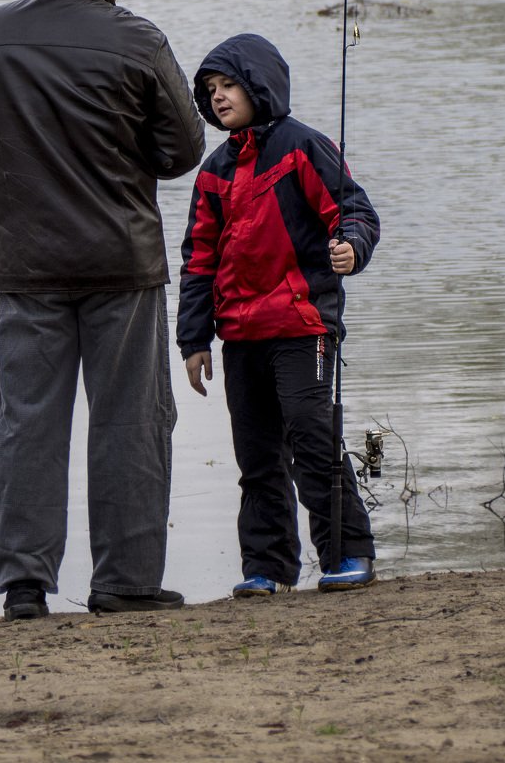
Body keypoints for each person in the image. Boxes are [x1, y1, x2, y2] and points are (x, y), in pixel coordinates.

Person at [0, 0, 206, 620]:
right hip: (123, 261)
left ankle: (24, 586)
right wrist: (119, 161)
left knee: (26, 421)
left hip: (27, 262)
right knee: (131, 421)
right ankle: (124, 582)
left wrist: (25, 172)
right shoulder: (138, 39)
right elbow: (182, 151)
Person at [176, 32, 379, 597]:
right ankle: (266, 569)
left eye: (228, 85)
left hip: (303, 327)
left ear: (259, 84)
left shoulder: (302, 148)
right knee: (257, 457)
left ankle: (347, 554)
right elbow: (198, 261)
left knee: (313, 438)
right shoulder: (214, 170)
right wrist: (193, 340)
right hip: (240, 337)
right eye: (210, 90)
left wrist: (351, 247)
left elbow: (356, 212)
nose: (217, 97)